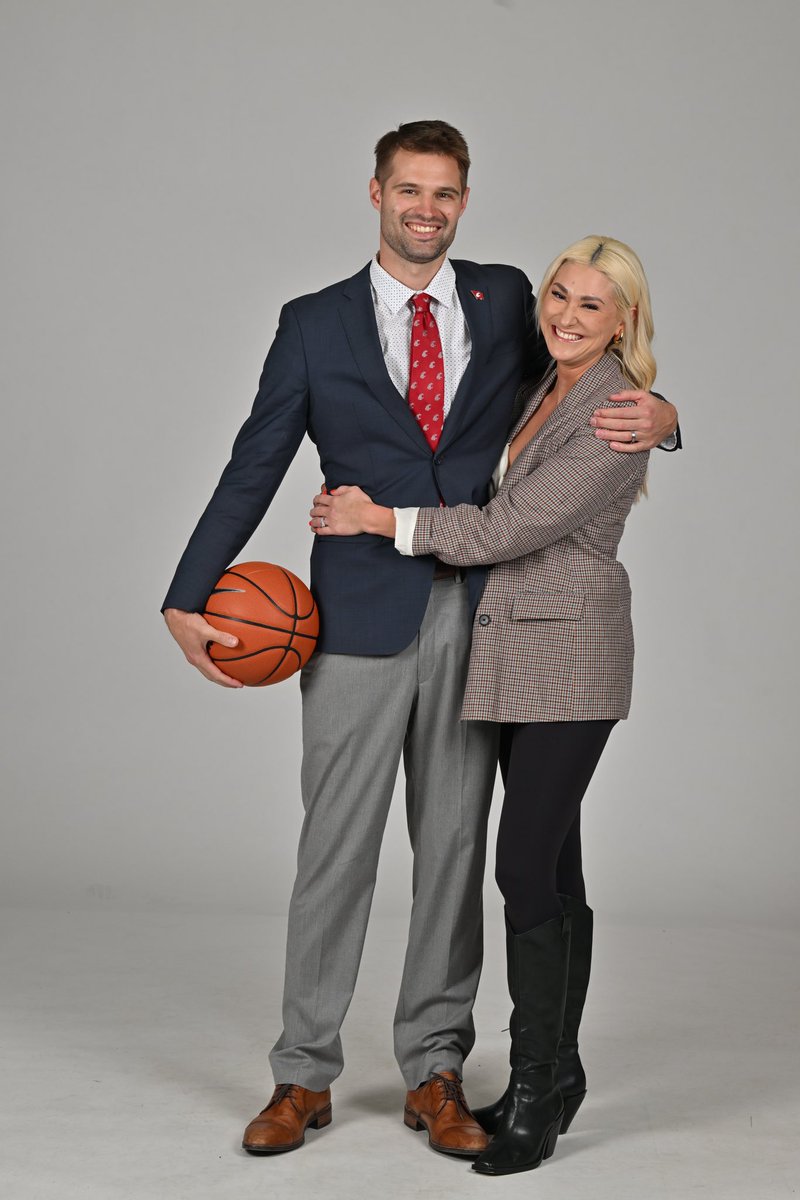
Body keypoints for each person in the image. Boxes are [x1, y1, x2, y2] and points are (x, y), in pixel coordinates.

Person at [162, 123, 677, 1159]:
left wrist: (663, 412)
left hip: (476, 617)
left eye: (444, 193)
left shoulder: (506, 301)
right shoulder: (312, 325)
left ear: (462, 201)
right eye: (408, 190)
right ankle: (301, 1074)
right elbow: (253, 460)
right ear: (375, 194)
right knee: (334, 853)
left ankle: (435, 1066)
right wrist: (186, 589)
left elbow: (593, 374)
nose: (425, 210)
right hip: (353, 617)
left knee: (450, 851)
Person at [309, 234, 661, 1174]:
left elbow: (510, 526)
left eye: (593, 305)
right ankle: (566, 1066)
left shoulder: (613, 411)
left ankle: (539, 1095)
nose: (568, 315)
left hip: (570, 660)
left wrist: (377, 518)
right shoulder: (538, 383)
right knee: (558, 867)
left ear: (625, 318)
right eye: (559, 295)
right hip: (507, 657)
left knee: (520, 869)